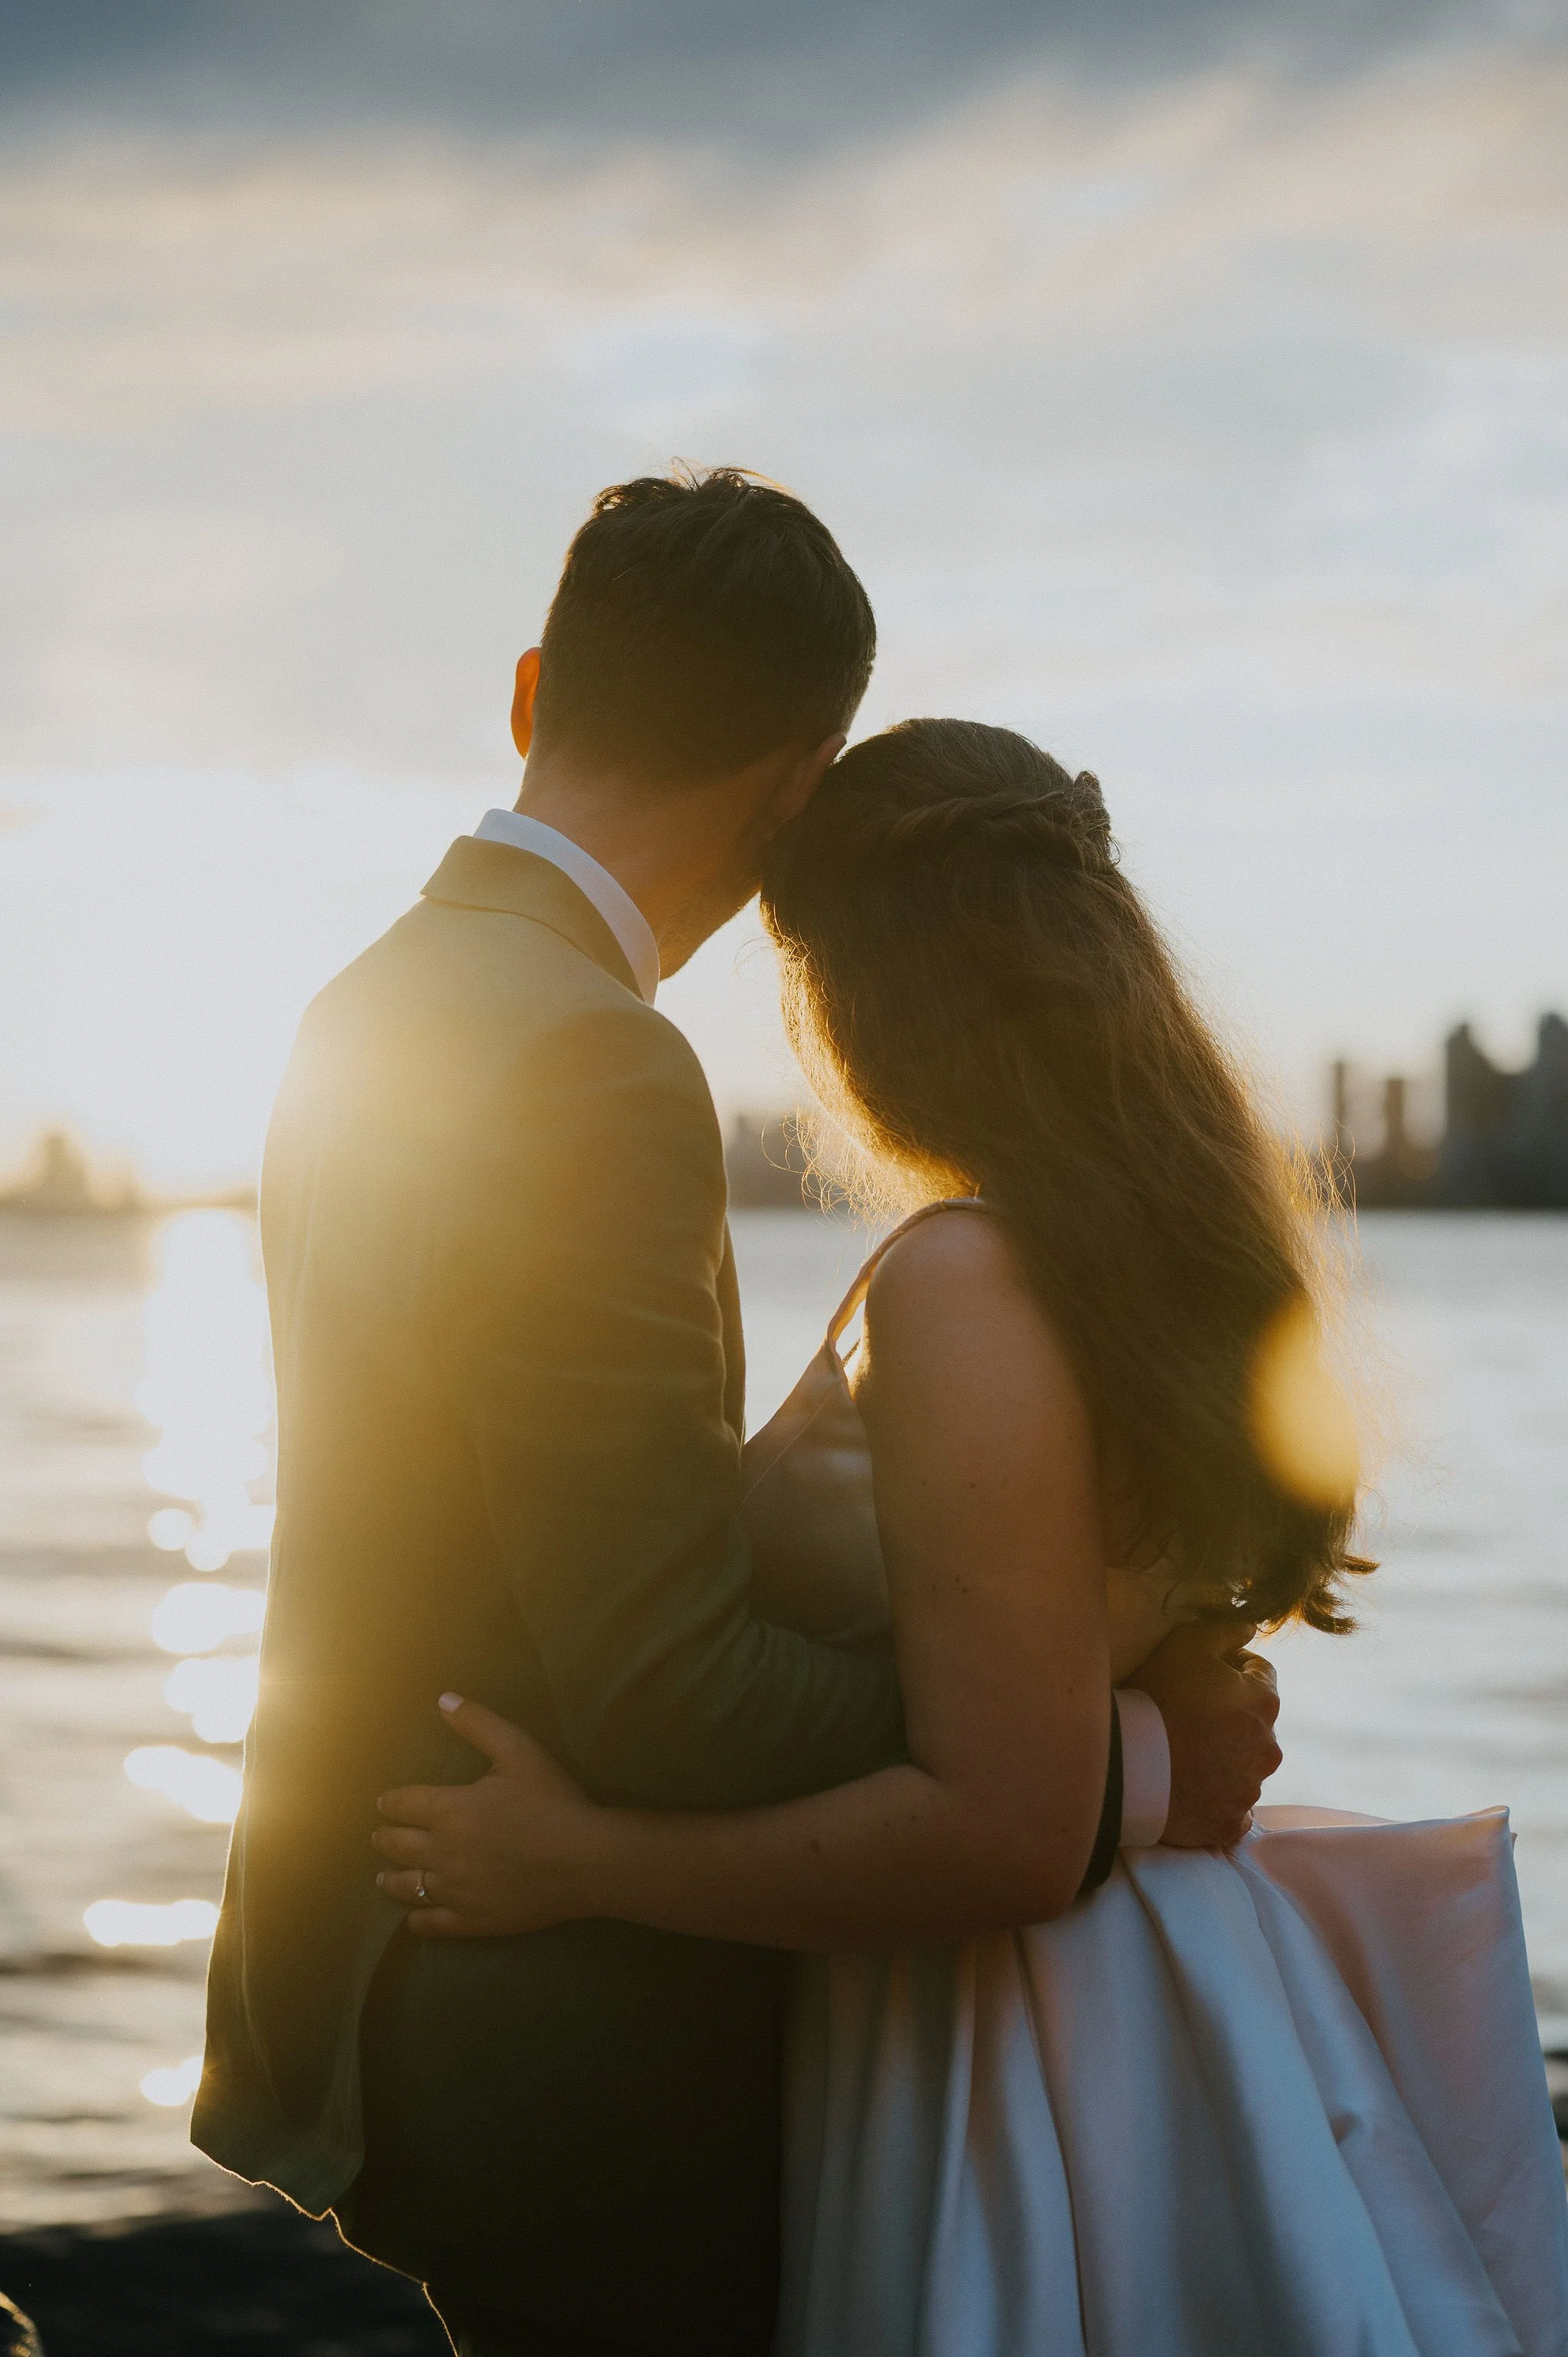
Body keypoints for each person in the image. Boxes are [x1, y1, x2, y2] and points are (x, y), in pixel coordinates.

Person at [192, 476, 1277, 2357]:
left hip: (391, 1977)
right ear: (796, 786)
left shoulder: (364, 1008)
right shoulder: (590, 1056)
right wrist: (1108, 1759)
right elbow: (665, 1684)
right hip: (556, 2015)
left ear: (533, 691)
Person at [373, 720, 1568, 2355]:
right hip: (1128, 1975)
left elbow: (999, 1826)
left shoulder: (962, 1281)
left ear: (859, 997)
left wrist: (580, 1862)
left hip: (1015, 2025)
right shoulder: (1136, 1259)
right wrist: (1144, 1753)